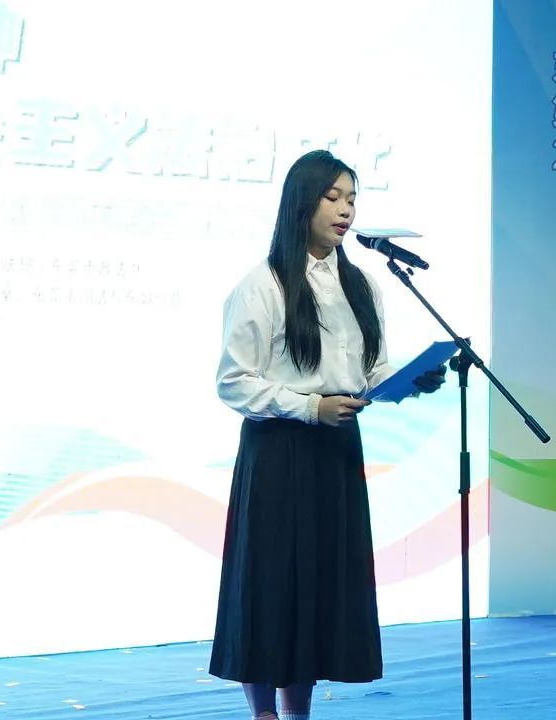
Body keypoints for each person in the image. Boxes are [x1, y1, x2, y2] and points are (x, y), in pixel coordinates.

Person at [209, 149, 446, 720]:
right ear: (301, 203)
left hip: (337, 449)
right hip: (279, 449)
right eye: (333, 197)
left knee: (317, 583)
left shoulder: (361, 284)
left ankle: (298, 713)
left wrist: (411, 380)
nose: (345, 211)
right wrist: (309, 407)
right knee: (271, 583)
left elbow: (370, 371)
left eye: (352, 199)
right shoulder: (263, 285)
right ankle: (264, 713)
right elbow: (234, 382)